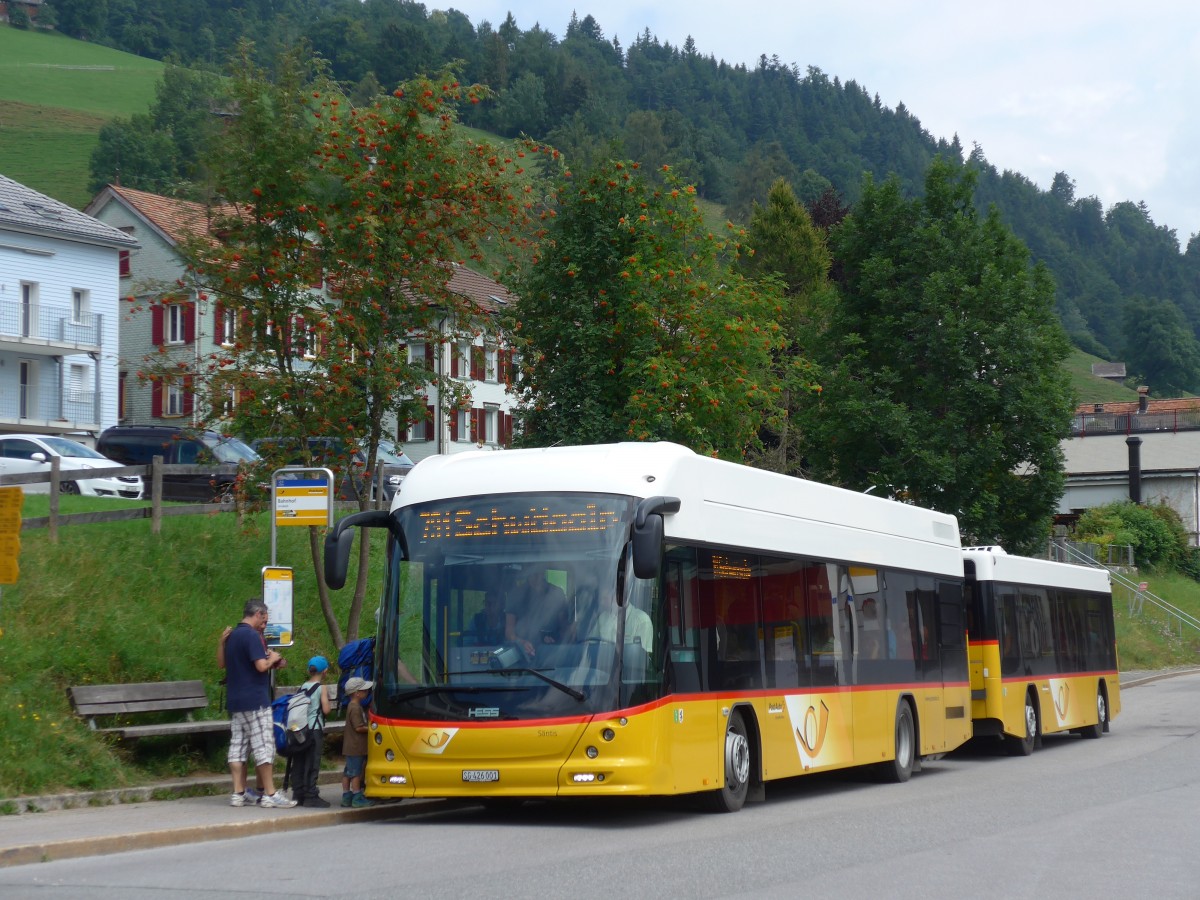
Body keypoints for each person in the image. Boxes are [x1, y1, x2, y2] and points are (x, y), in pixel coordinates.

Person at [224, 598, 296, 809]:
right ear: (257, 614)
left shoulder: (232, 636)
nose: (264, 625)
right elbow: (261, 666)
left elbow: (223, 663)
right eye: (264, 620)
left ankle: (238, 793)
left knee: (238, 747)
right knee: (264, 747)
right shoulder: (252, 636)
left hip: (236, 701)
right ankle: (270, 794)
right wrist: (273, 658)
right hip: (255, 701)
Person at [290, 655, 332, 807]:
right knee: (312, 761)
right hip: (314, 729)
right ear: (325, 671)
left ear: (309, 670)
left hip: (300, 729)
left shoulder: (302, 686)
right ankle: (310, 794)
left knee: (299, 761)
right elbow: (326, 710)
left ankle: (298, 793)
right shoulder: (322, 688)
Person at [508, 565, 571, 656]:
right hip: (521, 655)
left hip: (551, 654)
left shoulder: (556, 593)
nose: (536, 577)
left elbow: (564, 628)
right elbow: (509, 631)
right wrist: (521, 643)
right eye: (533, 574)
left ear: (543, 572)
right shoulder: (515, 595)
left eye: (538, 573)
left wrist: (555, 638)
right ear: (527, 573)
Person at [341, 676, 374, 808]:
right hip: (356, 746)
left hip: (350, 746)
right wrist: (372, 728)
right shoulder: (355, 708)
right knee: (356, 773)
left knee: (348, 772)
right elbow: (358, 727)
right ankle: (357, 796)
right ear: (357, 693)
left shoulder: (352, 705)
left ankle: (346, 795)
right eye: (364, 690)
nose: (367, 692)